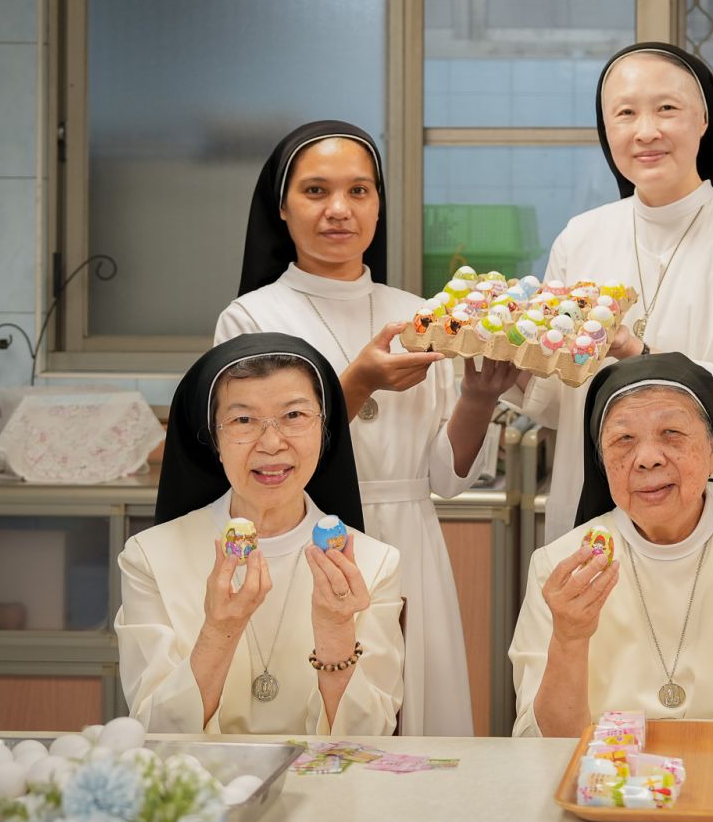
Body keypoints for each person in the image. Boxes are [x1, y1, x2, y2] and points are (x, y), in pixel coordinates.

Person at [217, 121, 516, 736]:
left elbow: (446, 478)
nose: (339, 209)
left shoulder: (418, 314)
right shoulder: (251, 318)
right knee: (323, 720)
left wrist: (479, 397)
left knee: (416, 729)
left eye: (359, 191)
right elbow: (257, 459)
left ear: (379, 204)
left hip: (410, 541)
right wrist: (357, 382)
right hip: (304, 542)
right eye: (316, 191)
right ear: (281, 207)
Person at [511, 42, 713, 542]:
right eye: (625, 113)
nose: (645, 131)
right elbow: (561, 406)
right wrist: (507, 369)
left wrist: (639, 353)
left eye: (666, 108)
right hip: (595, 512)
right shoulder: (580, 237)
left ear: (704, 119)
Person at [509, 353, 713, 736]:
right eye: (623, 440)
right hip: (608, 772)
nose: (648, 459)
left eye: (671, 433)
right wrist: (569, 638)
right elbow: (543, 743)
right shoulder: (560, 566)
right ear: (602, 461)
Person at [116, 334, 403, 735]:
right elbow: (154, 731)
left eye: (294, 415)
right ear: (214, 439)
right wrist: (219, 629)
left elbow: (369, 739)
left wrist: (337, 630)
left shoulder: (374, 563)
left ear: (325, 430)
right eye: (243, 420)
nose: (271, 444)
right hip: (199, 775)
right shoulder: (150, 556)